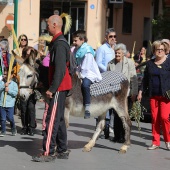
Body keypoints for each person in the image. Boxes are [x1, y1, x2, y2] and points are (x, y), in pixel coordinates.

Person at [32, 14, 72, 162]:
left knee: (52, 120)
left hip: (59, 88)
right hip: (60, 87)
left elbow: (60, 70)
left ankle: (48, 152)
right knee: (59, 119)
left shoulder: (60, 44)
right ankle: (62, 150)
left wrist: (52, 88)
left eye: (48, 24)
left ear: (55, 25)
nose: (46, 27)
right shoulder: (58, 42)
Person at [137, 40, 170, 150]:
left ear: (165, 51)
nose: (159, 51)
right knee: (155, 119)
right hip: (153, 95)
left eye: (162, 49)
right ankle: (155, 142)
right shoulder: (150, 64)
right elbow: (145, 80)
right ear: (154, 51)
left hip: (166, 96)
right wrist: (140, 92)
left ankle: (168, 140)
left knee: (165, 118)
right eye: (157, 49)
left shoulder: (168, 63)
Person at [107, 43, 138, 143]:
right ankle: (117, 136)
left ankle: (125, 136)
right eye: (116, 53)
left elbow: (134, 79)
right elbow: (107, 77)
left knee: (124, 115)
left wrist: (134, 92)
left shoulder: (129, 63)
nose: (117, 55)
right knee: (116, 114)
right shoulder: (110, 63)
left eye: (119, 53)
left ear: (123, 53)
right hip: (114, 93)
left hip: (125, 93)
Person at [72, 30, 102, 119]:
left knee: (85, 84)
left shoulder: (87, 51)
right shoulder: (75, 49)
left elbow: (86, 67)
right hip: (79, 70)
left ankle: (87, 107)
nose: (73, 43)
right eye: (73, 41)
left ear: (82, 40)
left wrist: (80, 75)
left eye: (75, 41)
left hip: (89, 73)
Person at [95, 28, 116, 138]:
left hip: (112, 80)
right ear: (106, 38)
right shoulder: (102, 49)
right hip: (104, 79)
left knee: (111, 105)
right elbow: (98, 63)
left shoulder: (114, 49)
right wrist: (109, 70)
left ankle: (108, 128)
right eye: (111, 36)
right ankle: (101, 128)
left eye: (114, 36)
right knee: (102, 105)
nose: (113, 38)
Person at [0, 68, 18, 137]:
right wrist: (3, 86)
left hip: (10, 104)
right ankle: (3, 131)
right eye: (4, 74)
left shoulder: (14, 84)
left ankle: (13, 128)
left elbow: (15, 93)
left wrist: (9, 90)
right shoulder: (1, 82)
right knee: (3, 118)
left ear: (11, 75)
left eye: (6, 74)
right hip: (2, 103)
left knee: (10, 118)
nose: (5, 76)